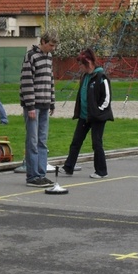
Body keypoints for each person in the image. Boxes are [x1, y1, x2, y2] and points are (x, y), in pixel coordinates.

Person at [62, 48, 114, 179]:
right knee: (76, 141)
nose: (79, 67)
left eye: (81, 64)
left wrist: (98, 111)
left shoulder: (101, 77)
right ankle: (68, 167)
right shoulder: (84, 77)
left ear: (89, 63)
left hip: (97, 116)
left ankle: (101, 171)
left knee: (96, 143)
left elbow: (107, 98)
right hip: (84, 116)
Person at [20, 29, 59, 187]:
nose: (52, 49)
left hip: (45, 104)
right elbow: (26, 82)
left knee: (43, 141)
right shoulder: (31, 56)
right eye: (51, 45)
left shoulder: (49, 57)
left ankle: (41, 174)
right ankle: (32, 176)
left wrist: (52, 101)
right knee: (33, 141)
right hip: (33, 105)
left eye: (54, 46)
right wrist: (30, 106)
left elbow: (50, 80)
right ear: (43, 41)